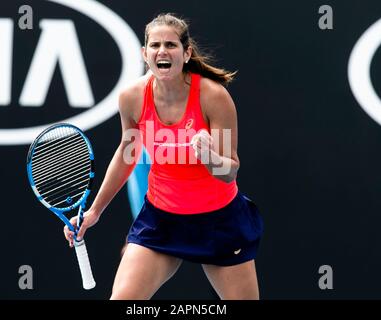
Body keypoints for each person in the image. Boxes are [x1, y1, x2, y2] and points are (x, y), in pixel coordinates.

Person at [64, 13, 264, 300]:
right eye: (155, 45)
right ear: (145, 54)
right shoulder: (132, 97)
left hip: (219, 222)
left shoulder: (213, 97)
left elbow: (229, 172)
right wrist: (95, 211)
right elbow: (128, 154)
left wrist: (209, 157)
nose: (162, 51)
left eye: (171, 45)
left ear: (186, 53)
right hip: (161, 221)